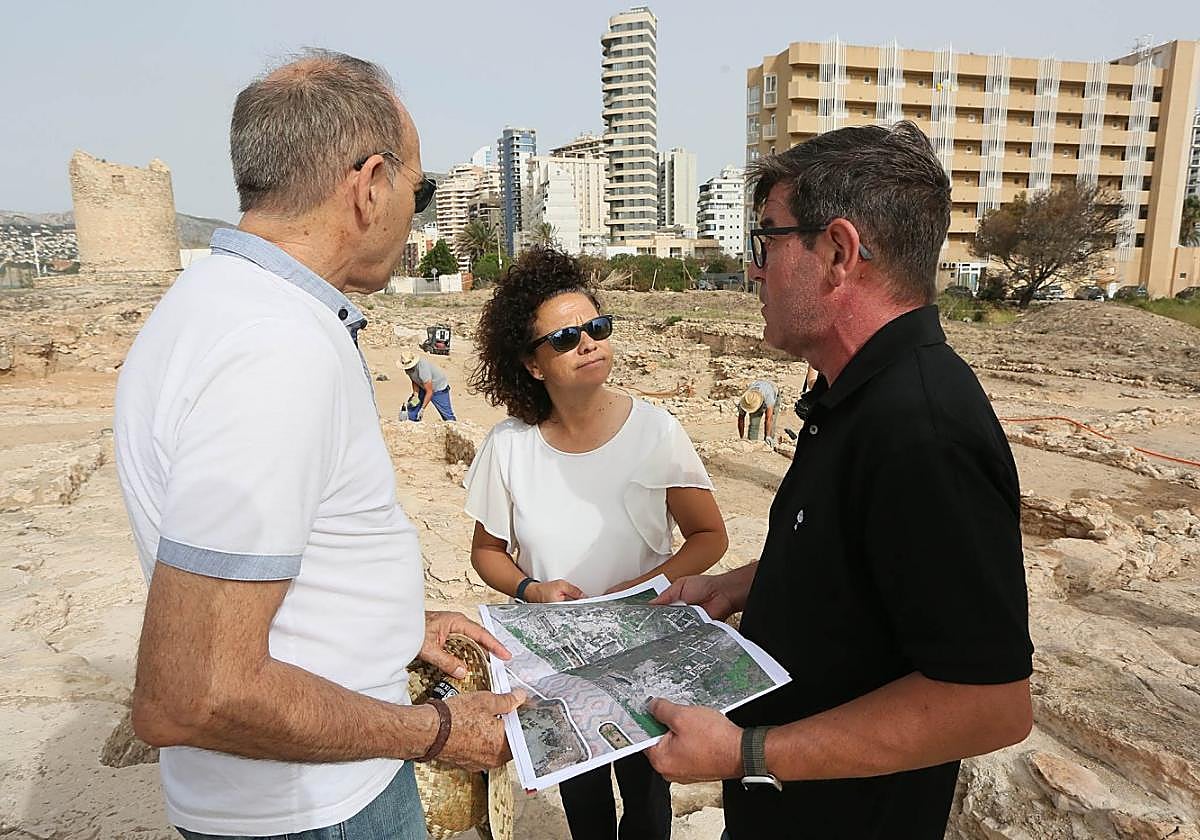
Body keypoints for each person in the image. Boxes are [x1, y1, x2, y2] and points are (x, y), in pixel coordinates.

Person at [113, 50, 523, 840]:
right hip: (312, 808)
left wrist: (397, 625)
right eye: (421, 191)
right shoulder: (275, 348)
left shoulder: (218, 305)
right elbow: (188, 691)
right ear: (369, 186)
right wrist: (441, 734)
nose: (418, 214)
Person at [644, 121, 1034, 840]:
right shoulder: (851, 393)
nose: (754, 269)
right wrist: (736, 587)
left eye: (768, 240)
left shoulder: (922, 429)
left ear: (838, 252)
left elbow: (992, 703)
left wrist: (744, 753)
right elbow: (852, 554)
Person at [464, 247, 729, 840]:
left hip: (644, 652)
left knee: (647, 802)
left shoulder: (656, 431)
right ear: (533, 365)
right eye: (564, 338)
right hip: (558, 664)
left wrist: (648, 586)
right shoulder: (508, 447)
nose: (587, 343)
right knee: (585, 808)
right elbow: (486, 553)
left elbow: (709, 536)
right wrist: (532, 588)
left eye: (596, 327)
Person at [398, 350, 456, 421]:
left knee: (447, 416)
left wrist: (422, 409)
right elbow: (414, 380)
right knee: (413, 408)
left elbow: (429, 391)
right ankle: (414, 424)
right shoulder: (408, 369)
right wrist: (415, 394)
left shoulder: (423, 369)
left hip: (438, 387)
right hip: (422, 386)